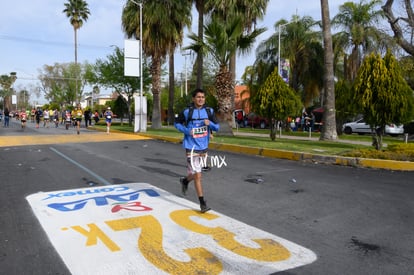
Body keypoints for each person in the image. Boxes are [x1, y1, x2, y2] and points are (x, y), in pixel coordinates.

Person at [174, 88, 219, 213]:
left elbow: (217, 127)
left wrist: (209, 123)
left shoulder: (209, 111)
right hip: (191, 146)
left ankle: (185, 180)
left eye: (203, 97)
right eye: (198, 97)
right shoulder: (187, 112)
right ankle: (202, 203)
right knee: (198, 175)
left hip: (203, 147)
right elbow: (176, 124)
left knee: (197, 174)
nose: (201, 99)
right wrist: (188, 131)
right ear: (193, 98)